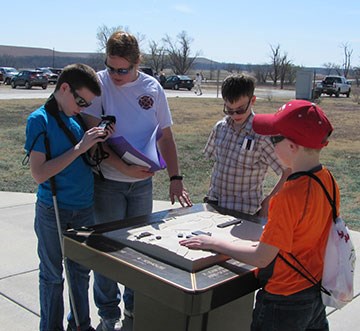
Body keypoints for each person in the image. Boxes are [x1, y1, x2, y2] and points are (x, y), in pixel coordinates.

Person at [180, 99, 338, 331]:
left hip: (282, 300)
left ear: (292, 146)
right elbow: (302, 232)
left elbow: (262, 257)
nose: (270, 143)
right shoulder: (327, 180)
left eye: (274, 138)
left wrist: (213, 242)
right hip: (314, 292)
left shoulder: (287, 197)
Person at [82, 31, 192, 331]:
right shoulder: (99, 84)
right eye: (111, 67)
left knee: (139, 251)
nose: (116, 75)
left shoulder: (152, 88)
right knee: (107, 251)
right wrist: (121, 167)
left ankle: (134, 310)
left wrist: (175, 177)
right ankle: (108, 315)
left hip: (142, 184)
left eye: (123, 69)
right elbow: (95, 138)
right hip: (107, 183)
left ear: (137, 63)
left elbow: (165, 136)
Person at [24, 64, 113, 331]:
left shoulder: (76, 118)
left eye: (88, 104)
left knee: (80, 274)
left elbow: (83, 157)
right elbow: (39, 174)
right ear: (65, 88)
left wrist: (95, 142)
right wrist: (79, 147)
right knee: (52, 276)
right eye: (81, 100)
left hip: (84, 208)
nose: (84, 107)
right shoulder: (39, 120)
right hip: (54, 210)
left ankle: (80, 326)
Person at [204, 74, 290, 217]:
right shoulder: (220, 128)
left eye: (240, 109)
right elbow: (218, 164)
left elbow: (288, 172)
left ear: (253, 100)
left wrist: (269, 202)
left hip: (244, 212)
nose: (235, 114)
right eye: (229, 110)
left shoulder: (262, 134)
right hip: (214, 205)